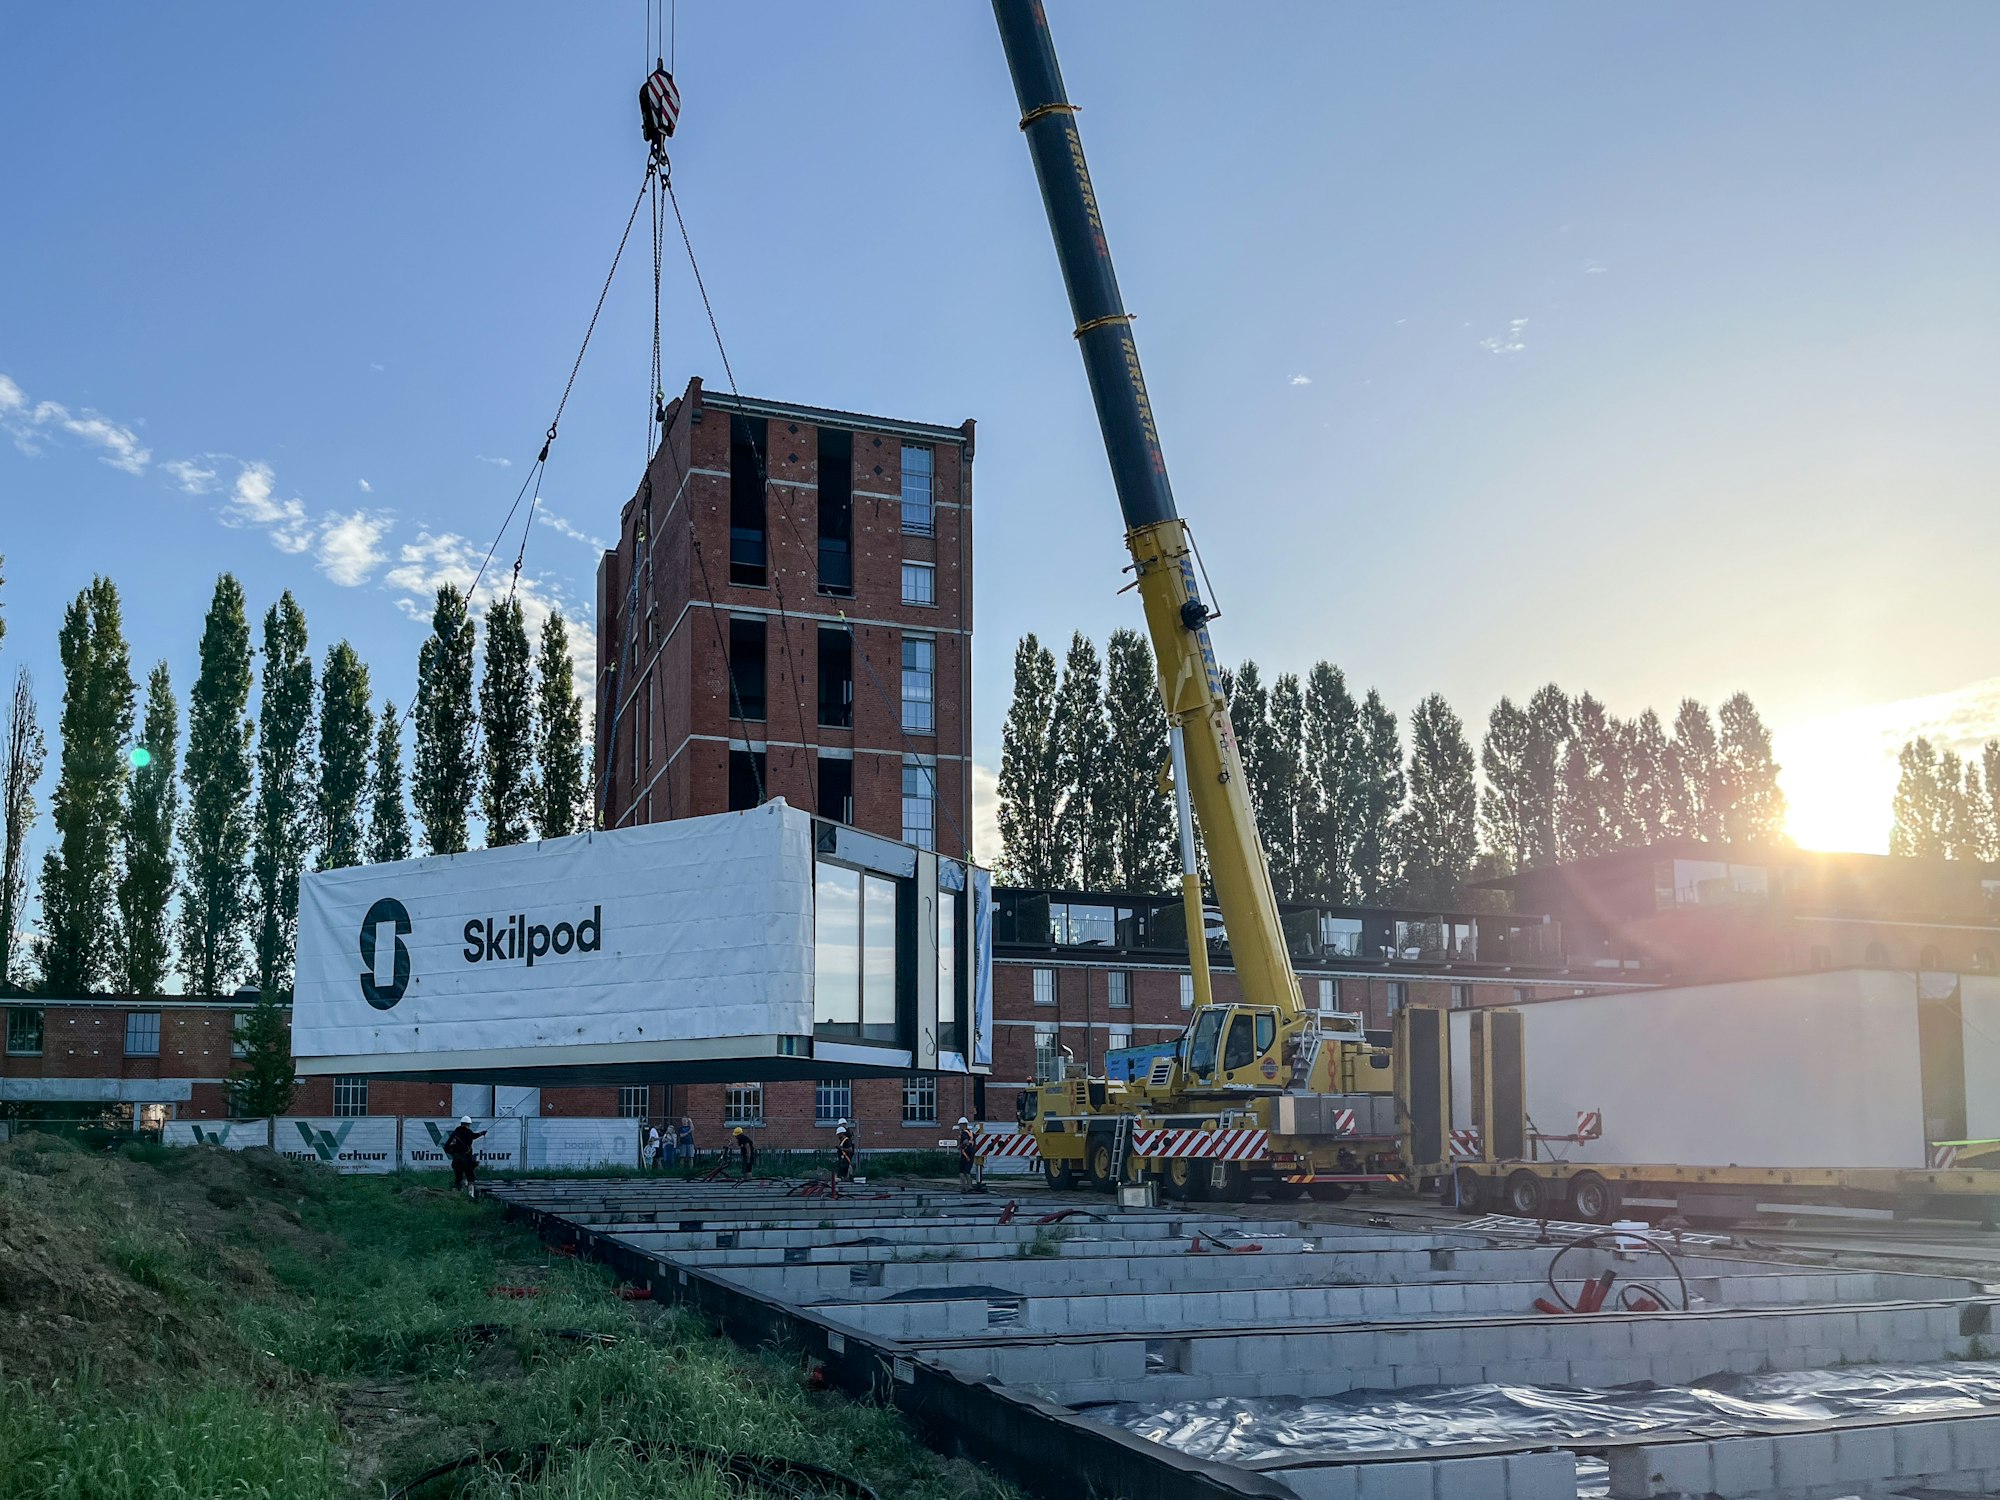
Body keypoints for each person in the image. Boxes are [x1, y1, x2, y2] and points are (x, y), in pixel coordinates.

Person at [444, 1115, 487, 1198]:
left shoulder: (455, 1133)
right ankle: (470, 1195)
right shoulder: (468, 1132)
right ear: (468, 1124)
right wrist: (482, 1133)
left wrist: (453, 1153)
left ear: (461, 1123)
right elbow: (474, 1136)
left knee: (458, 1177)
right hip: (466, 1159)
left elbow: (446, 1147)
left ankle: (458, 1195)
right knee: (470, 1177)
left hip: (456, 1159)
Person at [956, 1115, 979, 1193]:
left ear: (962, 1125)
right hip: (971, 1154)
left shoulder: (964, 1133)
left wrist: (960, 1146)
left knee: (962, 1172)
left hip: (965, 1154)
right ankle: (970, 1186)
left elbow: (965, 1141)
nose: (959, 1127)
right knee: (968, 1171)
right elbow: (974, 1144)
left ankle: (963, 1187)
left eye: (960, 1125)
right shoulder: (972, 1133)